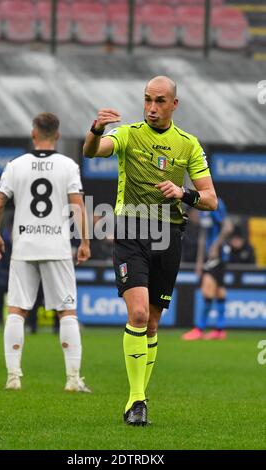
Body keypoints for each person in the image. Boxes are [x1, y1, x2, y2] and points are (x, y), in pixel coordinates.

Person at [83, 76, 218, 426]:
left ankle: (140, 396)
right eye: (147, 100)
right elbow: (92, 151)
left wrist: (183, 193)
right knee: (139, 315)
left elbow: (210, 200)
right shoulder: (127, 134)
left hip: (169, 234)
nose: (152, 108)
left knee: (154, 324)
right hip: (130, 230)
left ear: (174, 104)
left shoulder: (188, 144)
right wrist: (96, 129)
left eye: (159, 101)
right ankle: (137, 399)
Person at [0, 112, 91, 392]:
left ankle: (13, 377)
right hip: (57, 245)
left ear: (34, 133)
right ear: (57, 136)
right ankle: (72, 379)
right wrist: (85, 242)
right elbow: (77, 206)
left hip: (24, 246)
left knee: (17, 310)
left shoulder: (16, 165)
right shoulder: (68, 165)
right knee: (67, 311)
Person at [182, 198, 233, 341]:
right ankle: (220, 329)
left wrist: (216, 246)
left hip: (218, 254)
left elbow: (228, 227)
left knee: (207, 289)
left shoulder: (216, 203)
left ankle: (200, 329)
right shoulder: (202, 207)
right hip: (209, 257)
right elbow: (203, 236)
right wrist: (199, 262)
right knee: (218, 290)